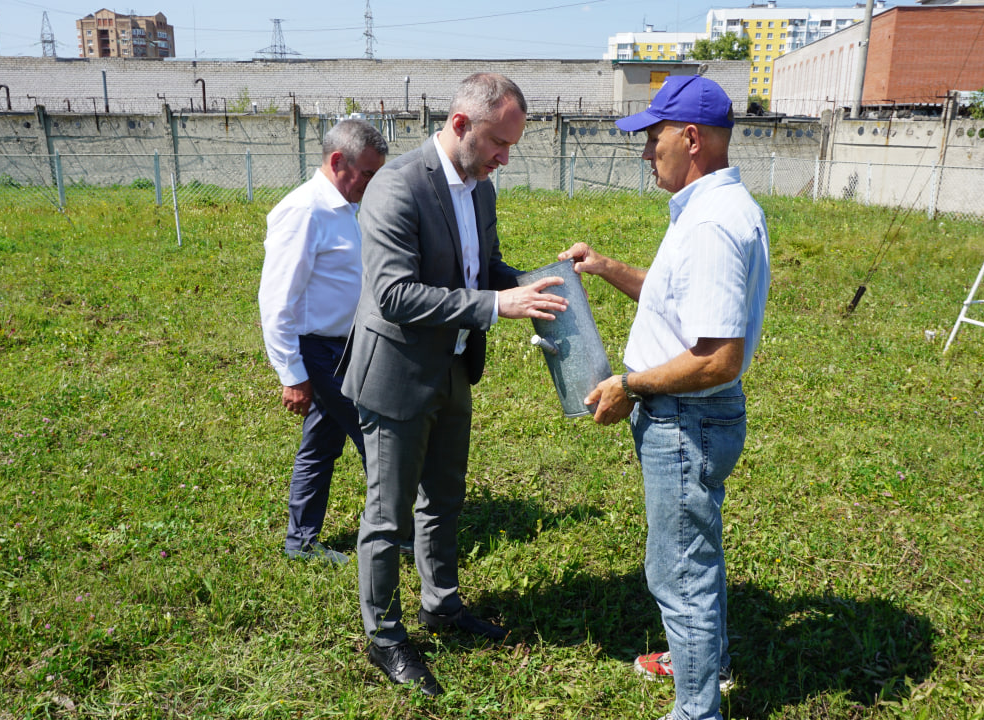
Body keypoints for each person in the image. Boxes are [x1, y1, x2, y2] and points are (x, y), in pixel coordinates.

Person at [342, 73, 568, 696]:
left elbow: (481, 268)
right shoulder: (397, 185)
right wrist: (497, 305)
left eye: (511, 146)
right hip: (396, 373)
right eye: (498, 143)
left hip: (454, 365)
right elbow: (394, 294)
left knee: (444, 498)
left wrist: (532, 284)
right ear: (461, 124)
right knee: (387, 515)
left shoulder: (480, 189)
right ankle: (384, 635)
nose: (504, 159)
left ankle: (440, 605)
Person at [559, 75, 770, 720]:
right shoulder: (712, 209)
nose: (647, 152)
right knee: (693, 553)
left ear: (692, 139)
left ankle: (696, 709)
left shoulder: (710, 224)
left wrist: (630, 384)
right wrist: (606, 268)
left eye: (654, 139)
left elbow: (718, 357)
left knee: (679, 571)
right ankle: (703, 661)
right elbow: (680, 298)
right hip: (690, 418)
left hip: (686, 421)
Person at [258, 118, 388, 565]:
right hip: (322, 351)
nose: (372, 183)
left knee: (320, 446)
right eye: (367, 173)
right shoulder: (304, 212)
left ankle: (301, 542)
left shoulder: (346, 207)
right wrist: (292, 374)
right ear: (337, 161)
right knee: (378, 440)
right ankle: (390, 535)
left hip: (348, 346)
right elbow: (277, 301)